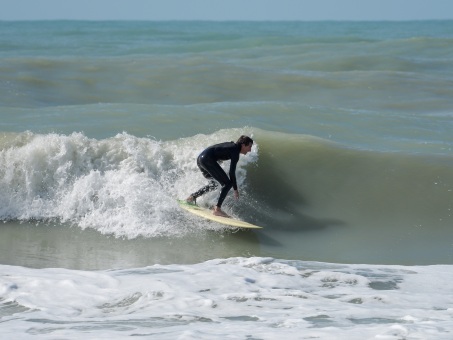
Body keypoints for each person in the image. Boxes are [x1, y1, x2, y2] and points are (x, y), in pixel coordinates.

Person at [185, 135, 254, 217]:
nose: (250, 150)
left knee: (213, 185)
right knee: (227, 184)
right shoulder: (235, 151)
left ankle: (192, 197)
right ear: (243, 145)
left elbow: (217, 151)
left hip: (200, 159)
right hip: (207, 160)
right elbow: (231, 173)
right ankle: (217, 209)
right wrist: (235, 189)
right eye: (249, 147)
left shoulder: (231, 146)